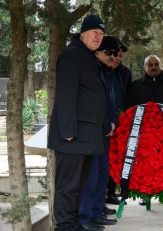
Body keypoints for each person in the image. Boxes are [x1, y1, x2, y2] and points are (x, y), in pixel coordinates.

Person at [48, 15, 107, 231]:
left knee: (80, 185)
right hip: (72, 136)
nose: (98, 37)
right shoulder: (72, 55)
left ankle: (72, 224)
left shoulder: (88, 56)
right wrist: (68, 131)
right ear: (82, 33)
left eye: (101, 34)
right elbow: (66, 95)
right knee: (67, 186)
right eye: (94, 32)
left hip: (87, 136)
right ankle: (64, 226)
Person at [127, 55, 163, 206]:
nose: (153, 67)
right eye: (150, 65)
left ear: (160, 66)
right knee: (144, 165)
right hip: (143, 133)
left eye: (156, 64)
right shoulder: (135, 86)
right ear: (145, 67)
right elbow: (130, 109)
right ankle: (145, 195)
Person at [79, 37, 119, 229]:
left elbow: (109, 104)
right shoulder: (93, 72)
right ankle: (85, 217)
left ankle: (96, 212)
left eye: (114, 53)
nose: (113, 56)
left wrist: (112, 123)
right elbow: (92, 105)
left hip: (105, 133)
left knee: (102, 174)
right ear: (97, 53)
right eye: (109, 53)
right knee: (91, 177)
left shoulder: (106, 73)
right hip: (93, 133)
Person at [104, 38, 132, 207]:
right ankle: (104, 193)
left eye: (120, 54)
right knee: (104, 159)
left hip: (121, 122)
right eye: (115, 53)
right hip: (104, 121)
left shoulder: (125, 72)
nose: (118, 56)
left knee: (117, 157)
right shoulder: (101, 70)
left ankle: (112, 191)